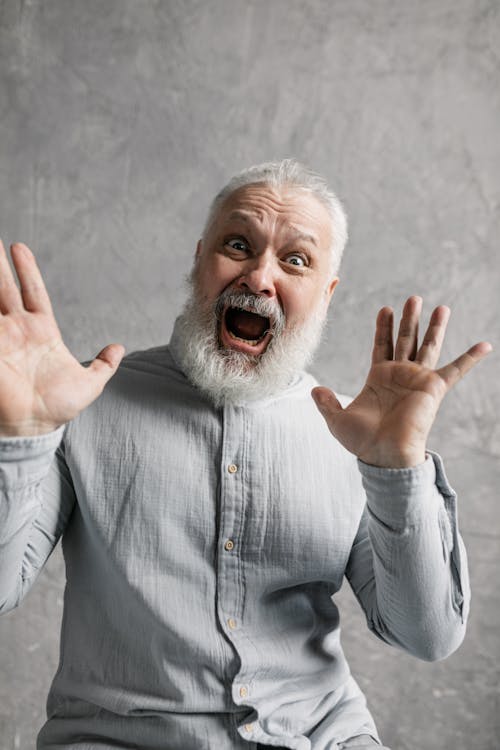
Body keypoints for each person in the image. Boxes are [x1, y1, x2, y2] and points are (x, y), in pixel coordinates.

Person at [0, 160, 491, 750]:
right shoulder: (83, 404)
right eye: (239, 245)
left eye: (296, 260)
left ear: (326, 294)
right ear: (199, 258)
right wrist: (21, 437)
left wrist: (397, 472)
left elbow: (427, 636)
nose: (259, 277)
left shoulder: (357, 435)